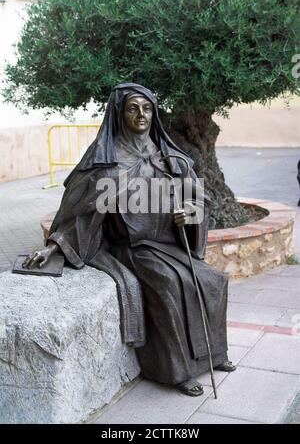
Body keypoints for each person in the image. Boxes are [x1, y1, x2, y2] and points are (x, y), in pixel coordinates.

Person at [24, 83, 236, 396]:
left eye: (147, 108)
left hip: (170, 243)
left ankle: (214, 355)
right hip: (133, 248)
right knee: (168, 284)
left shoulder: (169, 156)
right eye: (133, 108)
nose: (141, 115)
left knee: (211, 280)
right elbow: (79, 213)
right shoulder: (105, 162)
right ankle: (176, 370)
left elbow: (199, 198)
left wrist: (190, 213)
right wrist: (54, 246)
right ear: (119, 114)